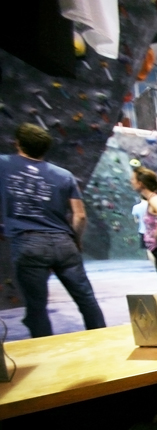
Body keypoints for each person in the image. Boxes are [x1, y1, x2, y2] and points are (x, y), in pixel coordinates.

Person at [0, 123, 106, 337]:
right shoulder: (64, 175)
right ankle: (102, 339)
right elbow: (80, 215)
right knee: (86, 298)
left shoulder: (4, 164)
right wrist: (75, 240)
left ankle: (44, 348)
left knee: (37, 307)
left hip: (28, 243)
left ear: (18, 143)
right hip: (64, 242)